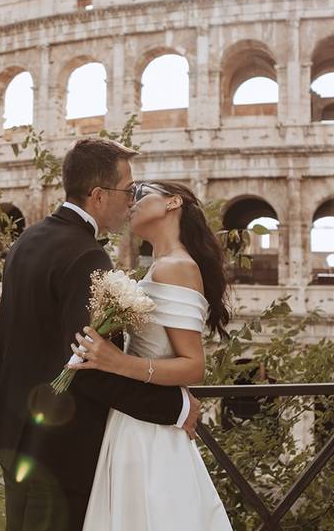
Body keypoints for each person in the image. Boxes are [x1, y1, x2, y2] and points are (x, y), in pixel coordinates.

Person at [0, 138, 202, 531]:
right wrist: (175, 408)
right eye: (127, 190)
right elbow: (89, 365)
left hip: (12, 430)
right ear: (98, 196)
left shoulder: (29, 239)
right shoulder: (86, 255)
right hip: (58, 446)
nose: (131, 200)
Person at [70, 180, 233, 530]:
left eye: (141, 193)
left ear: (173, 202)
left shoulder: (176, 266)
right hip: (136, 418)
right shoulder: (161, 265)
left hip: (148, 432)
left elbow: (194, 365)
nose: (132, 202)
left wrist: (116, 361)